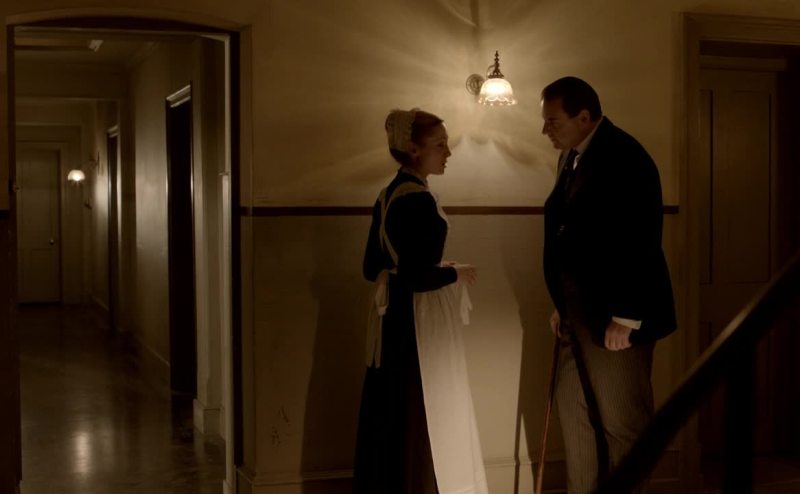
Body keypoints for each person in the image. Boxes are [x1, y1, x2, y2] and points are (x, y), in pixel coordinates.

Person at [540, 77, 677, 493]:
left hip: (615, 317)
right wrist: (562, 303)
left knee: (623, 424)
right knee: (575, 412)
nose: (545, 130)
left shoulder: (624, 155)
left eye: (552, 121)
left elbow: (640, 237)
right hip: (577, 315)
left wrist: (627, 315)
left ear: (584, 117)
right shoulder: (571, 157)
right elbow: (569, 232)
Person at [353, 108, 489, 494]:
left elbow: (373, 266)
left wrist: (436, 266)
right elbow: (416, 276)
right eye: (440, 145)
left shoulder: (388, 194)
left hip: (393, 316)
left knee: (393, 407)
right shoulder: (418, 200)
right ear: (413, 149)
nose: (448, 152)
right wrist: (453, 273)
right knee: (423, 404)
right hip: (417, 317)